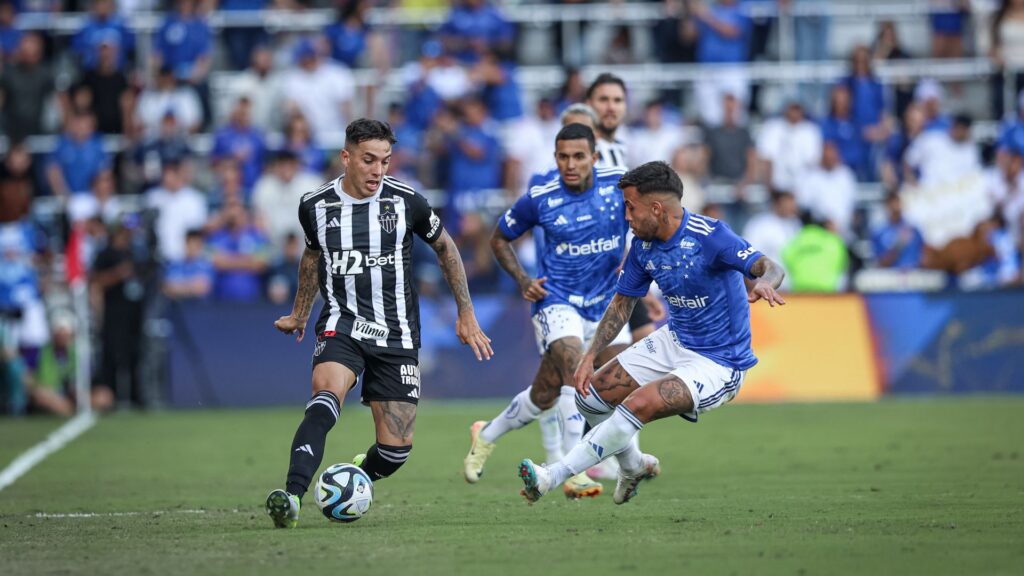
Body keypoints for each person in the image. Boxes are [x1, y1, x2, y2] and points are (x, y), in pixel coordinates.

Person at [265, 119, 493, 529]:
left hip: (397, 334)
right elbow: (312, 257)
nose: (378, 170)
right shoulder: (314, 206)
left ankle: (356, 476)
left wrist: (467, 313)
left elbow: (447, 248)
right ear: (347, 157)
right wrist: (301, 312)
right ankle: (293, 495)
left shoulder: (407, 202)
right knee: (324, 395)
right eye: (369, 160)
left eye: (385, 161)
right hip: (342, 323)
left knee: (394, 452)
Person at [516, 161, 786, 504]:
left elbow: (770, 266)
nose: (626, 216)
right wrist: (588, 357)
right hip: (674, 340)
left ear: (656, 208)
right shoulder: (643, 245)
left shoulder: (711, 236)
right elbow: (621, 303)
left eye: (631, 207)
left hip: (719, 361)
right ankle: (634, 465)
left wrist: (764, 282)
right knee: (589, 399)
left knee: (637, 404)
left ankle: (550, 476)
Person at [463, 123, 628, 498]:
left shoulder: (619, 185)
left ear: (595, 158)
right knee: (576, 371)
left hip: (606, 304)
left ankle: (486, 434)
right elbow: (500, 238)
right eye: (563, 156)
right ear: (555, 158)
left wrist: (635, 258)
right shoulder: (541, 197)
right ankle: (573, 469)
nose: (570, 164)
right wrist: (523, 280)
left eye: (579, 156)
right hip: (557, 301)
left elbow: (647, 220)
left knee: (546, 393)